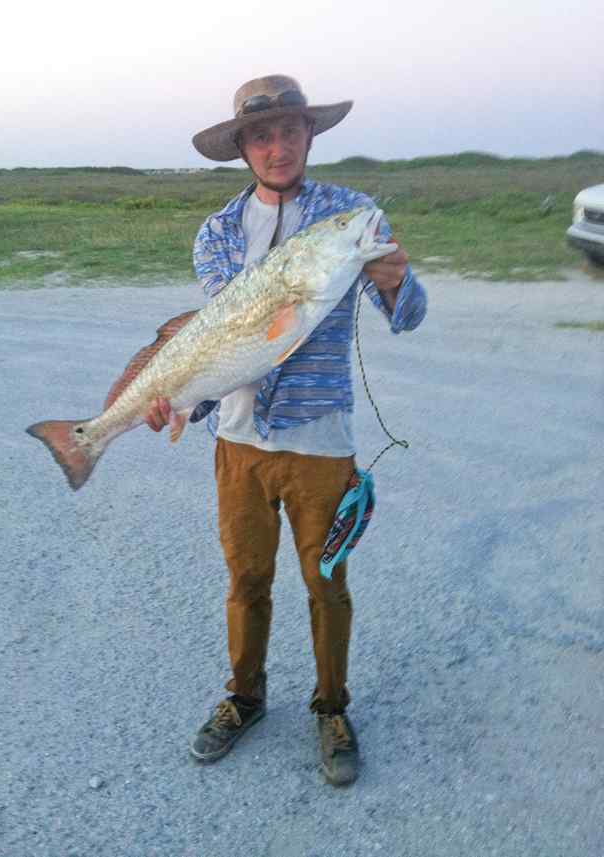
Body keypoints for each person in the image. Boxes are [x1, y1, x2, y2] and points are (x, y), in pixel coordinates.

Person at [145, 75, 427, 786]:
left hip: (320, 441)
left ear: (310, 135)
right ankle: (244, 698)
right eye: (262, 136)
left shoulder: (349, 215)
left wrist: (396, 281)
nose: (279, 148)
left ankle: (332, 706)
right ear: (243, 148)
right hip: (240, 441)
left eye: (292, 132)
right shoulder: (216, 232)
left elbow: (408, 317)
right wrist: (182, 402)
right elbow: (224, 343)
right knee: (246, 578)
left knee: (326, 580)